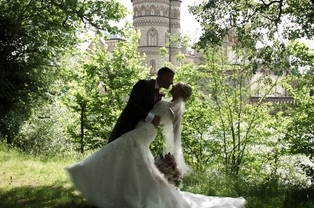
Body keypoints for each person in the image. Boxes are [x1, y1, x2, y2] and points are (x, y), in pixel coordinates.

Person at [65, 82, 246, 208]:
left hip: (144, 132)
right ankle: (123, 189)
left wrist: (175, 154)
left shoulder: (176, 107)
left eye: (176, 85)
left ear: (180, 91)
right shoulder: (167, 100)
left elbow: (175, 131)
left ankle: (84, 170)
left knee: (116, 149)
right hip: (141, 129)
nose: (173, 85)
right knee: (133, 163)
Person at [107, 66, 175, 143]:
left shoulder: (158, 95)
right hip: (126, 128)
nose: (172, 82)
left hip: (138, 134)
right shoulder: (144, 84)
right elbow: (132, 105)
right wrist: (152, 118)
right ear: (164, 77)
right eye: (171, 79)